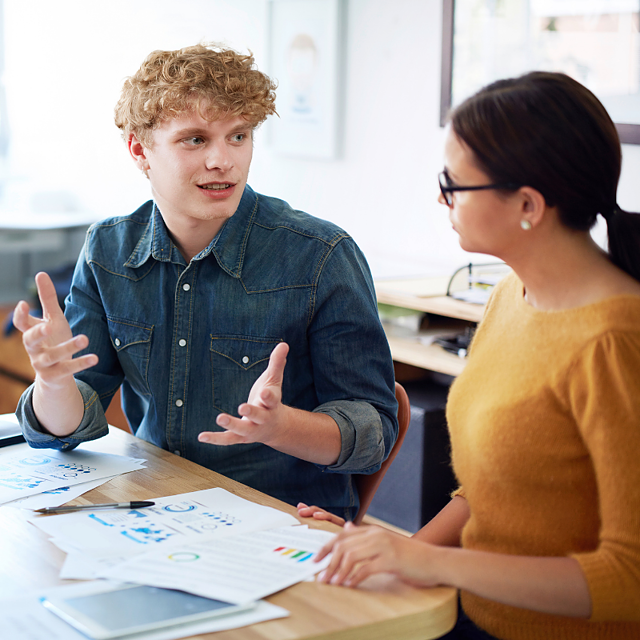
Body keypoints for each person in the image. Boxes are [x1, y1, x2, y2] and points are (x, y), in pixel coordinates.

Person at [300, 71, 640, 639]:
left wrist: (429, 563)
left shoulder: (614, 343)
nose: (441, 196)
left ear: (528, 204)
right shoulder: (512, 295)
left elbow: (628, 577)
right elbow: (492, 492)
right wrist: (387, 551)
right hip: (472, 613)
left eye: (453, 183)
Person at [12, 44, 398, 522]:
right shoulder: (109, 249)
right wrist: (54, 383)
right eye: (195, 140)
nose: (223, 161)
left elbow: (374, 437)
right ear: (139, 150)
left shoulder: (321, 256)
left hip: (283, 522)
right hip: (156, 510)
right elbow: (67, 431)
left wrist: (279, 427)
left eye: (238, 136)